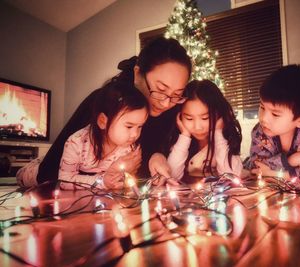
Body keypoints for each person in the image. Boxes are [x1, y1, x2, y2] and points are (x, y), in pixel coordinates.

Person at [19, 37, 191, 187]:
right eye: (160, 89)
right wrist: (108, 175)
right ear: (137, 73)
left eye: (176, 95)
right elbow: (50, 174)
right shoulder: (102, 103)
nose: (166, 102)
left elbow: (145, 153)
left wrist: (156, 155)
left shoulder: (171, 110)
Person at [18, 79, 148, 190]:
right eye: (129, 126)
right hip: (37, 172)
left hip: (83, 176)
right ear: (103, 121)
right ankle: (37, 163)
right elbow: (64, 181)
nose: (135, 134)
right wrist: (102, 181)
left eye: (140, 126)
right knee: (25, 178)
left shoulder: (129, 149)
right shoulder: (77, 142)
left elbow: (126, 179)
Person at [245, 64, 300, 182]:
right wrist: (292, 160)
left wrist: (274, 174)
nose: (263, 118)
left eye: (275, 114)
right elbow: (257, 168)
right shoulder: (260, 130)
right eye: (262, 107)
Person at [167, 80, 242, 183]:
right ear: (179, 116)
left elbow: (231, 177)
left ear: (219, 114)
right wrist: (184, 137)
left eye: (205, 118)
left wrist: (218, 133)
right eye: (189, 119)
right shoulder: (177, 140)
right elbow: (171, 177)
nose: (198, 127)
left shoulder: (226, 140)